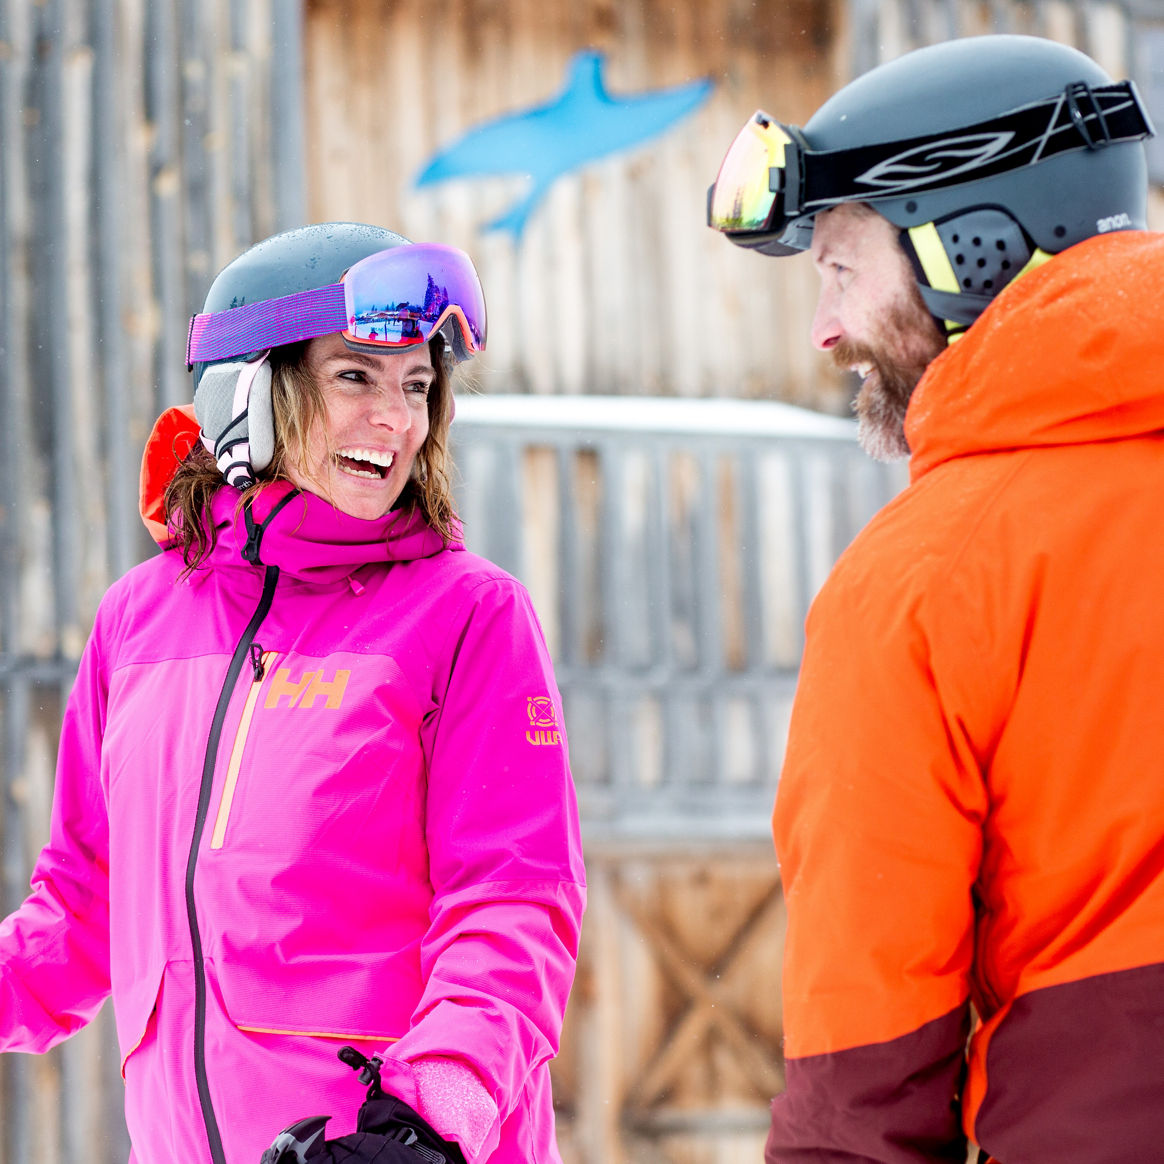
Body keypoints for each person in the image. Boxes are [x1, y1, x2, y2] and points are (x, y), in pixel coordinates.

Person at [0, 223, 587, 1164]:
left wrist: (428, 1120)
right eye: (356, 377)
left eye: (417, 387)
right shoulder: (138, 623)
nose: (396, 420)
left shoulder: (466, 617)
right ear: (249, 392)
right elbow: (79, 909)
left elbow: (512, 904)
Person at [708, 34, 1164, 1164]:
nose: (823, 330)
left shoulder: (926, 578)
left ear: (972, 247)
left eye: (842, 268)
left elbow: (864, 1062)